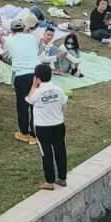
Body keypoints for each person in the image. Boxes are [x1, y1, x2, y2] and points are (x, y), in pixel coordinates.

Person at [26, 63, 68, 191]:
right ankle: (62, 178)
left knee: (46, 152)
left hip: (43, 127)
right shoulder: (59, 89)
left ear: (37, 77)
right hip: (59, 124)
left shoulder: (37, 92)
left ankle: (49, 181)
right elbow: (64, 105)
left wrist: (33, 86)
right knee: (60, 150)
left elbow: (29, 99)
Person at [4, 19, 41, 143]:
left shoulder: (9, 41)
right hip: (35, 74)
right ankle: (34, 135)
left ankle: (24, 132)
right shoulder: (32, 38)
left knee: (22, 105)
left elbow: (6, 56)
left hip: (20, 75)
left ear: (12, 30)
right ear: (24, 28)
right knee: (34, 105)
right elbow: (36, 51)